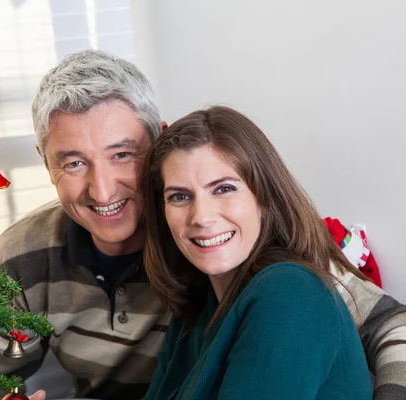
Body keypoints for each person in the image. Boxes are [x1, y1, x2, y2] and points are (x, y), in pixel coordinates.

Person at [0, 50, 406, 400]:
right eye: (73, 163)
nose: (103, 190)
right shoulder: (22, 257)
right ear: (45, 164)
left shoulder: (254, 259)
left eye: (122, 154)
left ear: (159, 141)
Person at [141, 105, 373, 399]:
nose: (201, 216)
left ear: (263, 198)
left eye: (223, 189)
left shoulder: (290, 291)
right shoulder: (197, 306)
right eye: (180, 196)